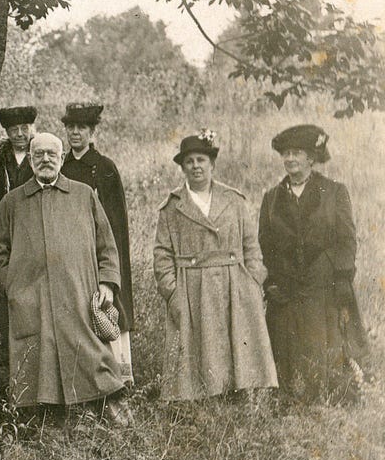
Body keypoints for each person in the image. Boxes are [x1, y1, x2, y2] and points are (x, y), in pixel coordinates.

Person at [0, 133, 128, 422]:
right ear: (31, 160)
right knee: (39, 361)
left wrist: (107, 284)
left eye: (52, 154)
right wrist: (14, 286)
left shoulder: (84, 194)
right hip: (32, 302)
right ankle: (44, 426)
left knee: (92, 358)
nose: (45, 159)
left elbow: (107, 246)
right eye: (39, 155)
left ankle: (104, 415)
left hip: (79, 296)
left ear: (61, 159)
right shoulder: (12, 203)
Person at [153, 132, 277, 401]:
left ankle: (240, 395)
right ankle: (202, 401)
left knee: (237, 342)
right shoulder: (172, 207)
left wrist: (254, 280)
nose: (196, 166)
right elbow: (162, 254)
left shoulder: (233, 200)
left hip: (235, 282)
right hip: (192, 286)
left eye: (201, 160)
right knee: (200, 346)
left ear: (212, 164)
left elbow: (251, 245)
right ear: (182, 167)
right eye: (189, 161)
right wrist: (172, 291)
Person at [258, 124, 366, 404]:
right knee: (287, 349)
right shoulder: (271, 199)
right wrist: (275, 280)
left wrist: (333, 272)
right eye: (286, 154)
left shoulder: (334, 192)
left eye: (297, 153)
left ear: (311, 158)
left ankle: (330, 400)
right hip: (287, 287)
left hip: (324, 287)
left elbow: (347, 242)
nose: (290, 159)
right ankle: (290, 400)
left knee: (326, 350)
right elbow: (266, 244)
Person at [60, 102, 135, 384]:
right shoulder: (61, 166)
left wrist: (109, 269)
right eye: (71, 127)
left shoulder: (104, 168)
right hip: (69, 254)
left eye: (81, 128)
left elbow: (115, 223)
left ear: (92, 132)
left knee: (106, 312)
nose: (75, 133)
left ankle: (117, 379)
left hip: (99, 253)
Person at [0, 105, 36, 355]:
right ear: (7, 132)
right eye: (14, 130)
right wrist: (2, 237)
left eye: (24, 128)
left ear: (31, 129)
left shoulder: (39, 162)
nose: (20, 134)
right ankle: (8, 354)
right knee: (4, 293)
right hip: (5, 242)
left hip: (35, 240)